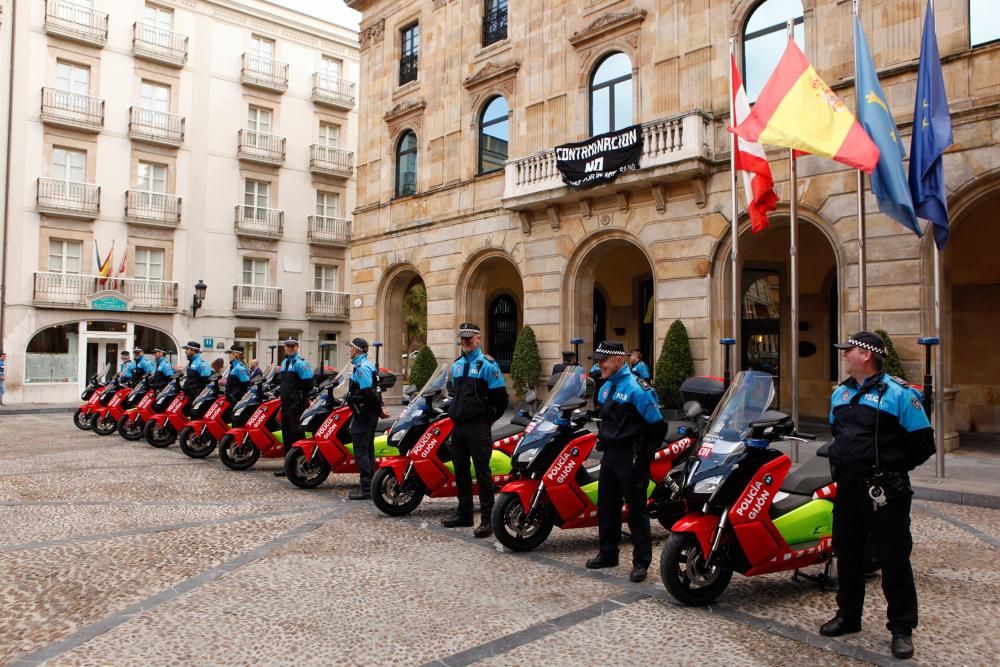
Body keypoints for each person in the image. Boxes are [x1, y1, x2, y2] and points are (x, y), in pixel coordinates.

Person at [820, 331, 935, 660]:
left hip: (885, 491)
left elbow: (923, 444)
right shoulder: (841, 394)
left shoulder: (899, 395)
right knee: (848, 553)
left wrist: (891, 469)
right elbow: (837, 433)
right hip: (849, 488)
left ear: (867, 356)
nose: (844, 355)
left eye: (849, 350)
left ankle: (901, 628)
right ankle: (848, 616)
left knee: (893, 557)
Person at [586, 340, 666, 583]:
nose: (599, 365)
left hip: (631, 457)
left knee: (636, 510)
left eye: (603, 360)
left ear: (619, 360)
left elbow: (658, 425)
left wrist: (643, 453)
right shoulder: (606, 388)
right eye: (598, 361)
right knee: (607, 507)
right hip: (610, 455)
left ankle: (641, 562)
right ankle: (608, 553)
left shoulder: (637, 388)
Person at [442, 323, 508, 538]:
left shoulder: (488, 365)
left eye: (470, 338)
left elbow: (501, 399)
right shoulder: (458, 365)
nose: (466, 341)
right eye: (463, 338)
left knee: (482, 474)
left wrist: (489, 419)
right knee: (460, 472)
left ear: (478, 339)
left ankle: (487, 521)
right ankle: (464, 514)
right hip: (459, 427)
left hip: (478, 427)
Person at [345, 338, 381, 500]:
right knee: (367, 449)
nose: (349, 350)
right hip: (366, 413)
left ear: (358, 350)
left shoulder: (362, 369)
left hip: (364, 414)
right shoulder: (365, 365)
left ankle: (366, 488)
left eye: (351, 348)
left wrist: (379, 410)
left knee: (362, 451)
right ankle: (371, 485)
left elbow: (369, 393)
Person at [273, 338, 313, 477]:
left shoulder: (301, 364)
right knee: (287, 435)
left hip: (297, 405)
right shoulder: (284, 363)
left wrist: (303, 400)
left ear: (297, 347)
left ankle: (298, 465)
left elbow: (308, 385)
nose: (290, 348)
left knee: (296, 435)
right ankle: (288, 466)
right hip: (285, 404)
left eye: (292, 346)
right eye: (287, 346)